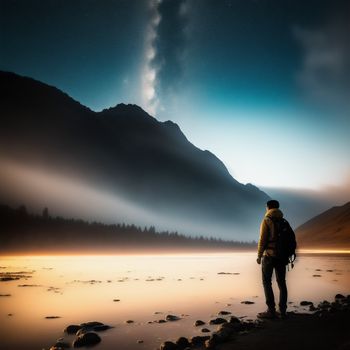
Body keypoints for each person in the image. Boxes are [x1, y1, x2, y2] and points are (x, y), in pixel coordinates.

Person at [256, 199, 289, 319]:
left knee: (266, 282)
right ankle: (283, 311)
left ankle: (271, 311)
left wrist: (259, 255)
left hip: (269, 256)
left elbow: (262, 239)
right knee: (282, 282)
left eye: (266, 207)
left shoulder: (267, 220)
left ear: (268, 207)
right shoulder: (284, 221)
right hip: (282, 256)